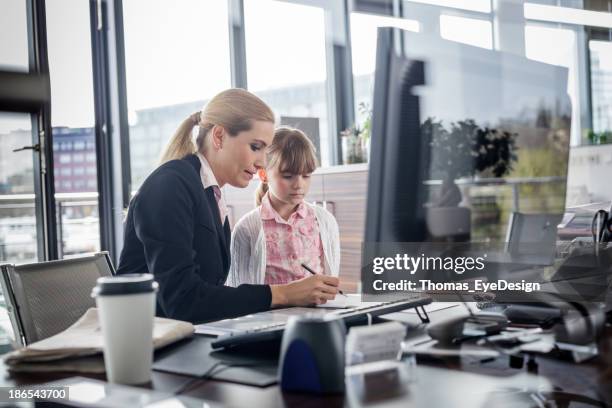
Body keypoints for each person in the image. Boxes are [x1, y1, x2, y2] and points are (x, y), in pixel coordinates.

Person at [116, 89, 339, 324]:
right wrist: (283, 294)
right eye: (255, 147)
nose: (263, 162)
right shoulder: (170, 186)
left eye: (266, 149)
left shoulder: (209, 195)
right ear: (219, 136)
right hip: (146, 342)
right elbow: (183, 301)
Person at [228, 127, 340, 287]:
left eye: (306, 175)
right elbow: (238, 291)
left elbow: (330, 278)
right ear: (264, 174)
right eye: (288, 176)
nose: (299, 185)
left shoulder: (324, 221)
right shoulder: (248, 229)